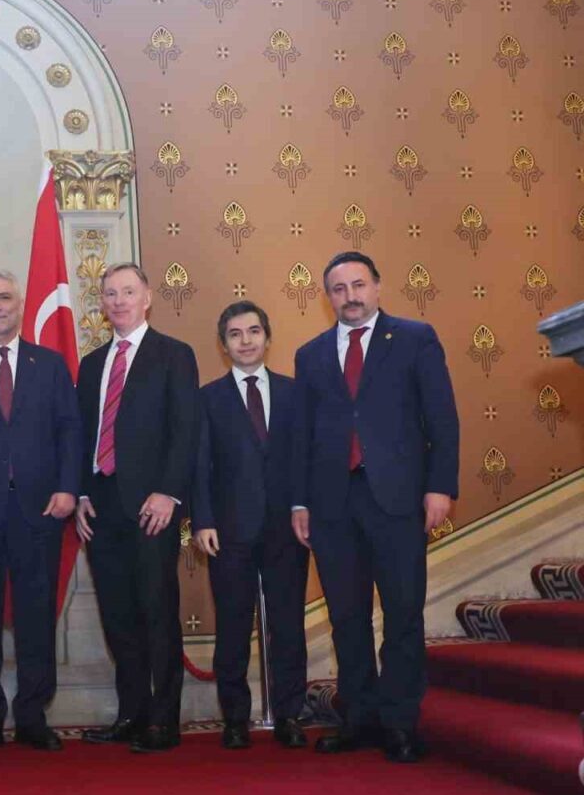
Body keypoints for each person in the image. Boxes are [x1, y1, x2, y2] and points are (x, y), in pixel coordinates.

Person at [291, 251, 459, 764]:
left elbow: (442, 417)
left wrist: (440, 487)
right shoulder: (310, 355)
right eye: (339, 289)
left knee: (403, 613)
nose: (351, 296)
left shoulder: (414, 338)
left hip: (398, 499)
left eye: (358, 285)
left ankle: (400, 723)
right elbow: (302, 437)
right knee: (347, 617)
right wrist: (300, 502)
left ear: (378, 286)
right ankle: (358, 718)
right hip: (332, 504)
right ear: (328, 297)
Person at [0, 270, 81, 753]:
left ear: (19, 305)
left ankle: (32, 716)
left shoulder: (50, 364)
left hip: (39, 509)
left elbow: (70, 430)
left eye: (4, 297)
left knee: (35, 617)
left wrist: (68, 488)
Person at [74, 262, 200, 754]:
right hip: (101, 507)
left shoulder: (174, 355)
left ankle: (164, 721)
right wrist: (82, 493)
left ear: (147, 298)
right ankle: (132, 713)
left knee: (156, 611)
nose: (119, 301)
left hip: (152, 506)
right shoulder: (91, 364)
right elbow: (83, 436)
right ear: (102, 304)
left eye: (128, 292)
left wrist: (169, 492)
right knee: (118, 616)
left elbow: (185, 430)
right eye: (110, 294)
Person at [191, 301, 308, 750]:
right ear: (223, 345)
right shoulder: (207, 398)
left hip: (287, 529)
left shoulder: (295, 393)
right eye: (235, 334)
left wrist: (304, 506)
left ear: (267, 337)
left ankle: (289, 714)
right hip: (229, 531)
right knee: (233, 627)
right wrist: (202, 519)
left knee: (288, 625)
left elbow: (306, 459)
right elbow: (200, 466)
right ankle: (235, 718)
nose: (246, 341)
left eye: (254, 331)